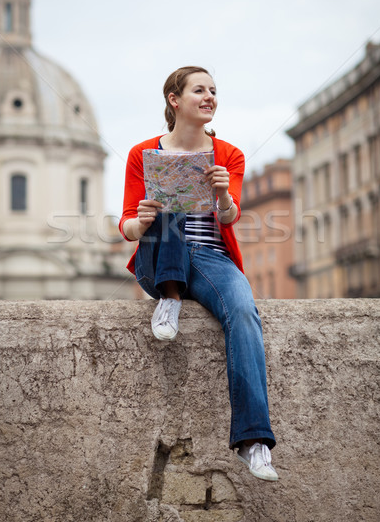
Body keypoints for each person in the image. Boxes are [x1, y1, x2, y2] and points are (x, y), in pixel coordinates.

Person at [119, 66, 278, 482]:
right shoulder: (143, 154)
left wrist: (223, 192)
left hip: (210, 257)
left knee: (243, 311)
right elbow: (128, 227)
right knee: (167, 204)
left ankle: (253, 441)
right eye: (199, 90)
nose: (209, 97)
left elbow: (231, 216)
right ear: (175, 99)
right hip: (158, 255)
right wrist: (142, 217)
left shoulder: (229, 154)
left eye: (213, 91)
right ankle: (169, 296)